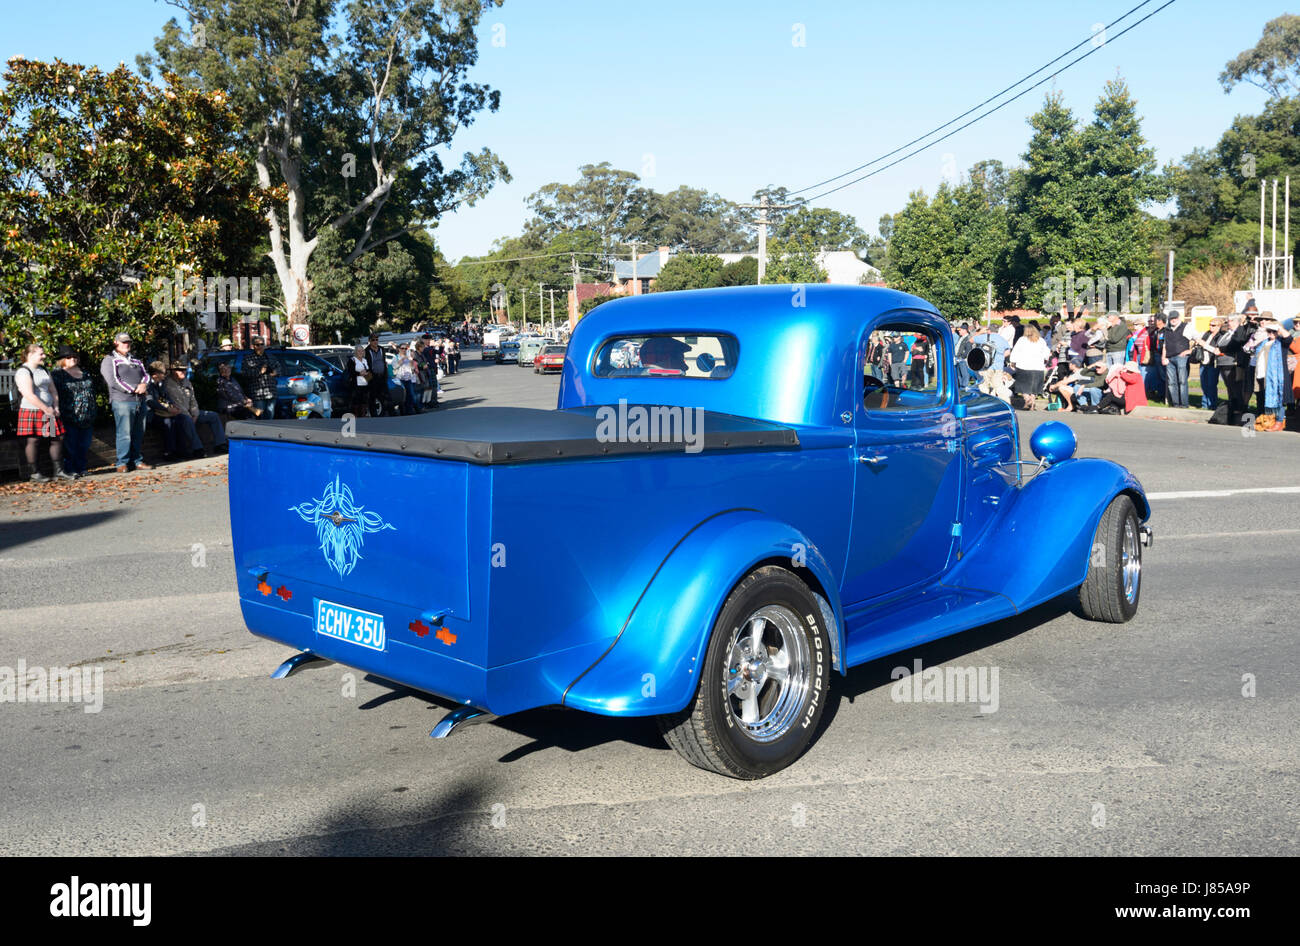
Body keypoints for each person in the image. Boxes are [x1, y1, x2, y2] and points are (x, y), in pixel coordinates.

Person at [14, 343, 73, 482]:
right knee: (34, 440)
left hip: (50, 411)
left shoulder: (43, 370)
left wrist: (56, 406)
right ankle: (35, 474)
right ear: (30, 355)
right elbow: (29, 395)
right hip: (32, 411)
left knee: (56, 439)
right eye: (41, 354)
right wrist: (47, 409)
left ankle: (59, 471)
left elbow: (53, 390)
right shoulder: (23, 371)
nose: (44, 356)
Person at [99, 331, 153, 473]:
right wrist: (135, 389)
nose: (126, 345)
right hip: (122, 401)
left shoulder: (135, 359)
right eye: (123, 342)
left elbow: (146, 375)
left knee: (138, 433)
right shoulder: (109, 360)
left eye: (128, 342)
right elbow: (113, 381)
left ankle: (137, 461)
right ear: (116, 343)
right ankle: (122, 462)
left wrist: (144, 385)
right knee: (124, 433)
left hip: (140, 401)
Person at [50, 345, 97, 478]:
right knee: (70, 446)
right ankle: (70, 470)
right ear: (62, 359)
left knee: (84, 444)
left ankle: (82, 468)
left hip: (88, 415)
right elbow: (54, 394)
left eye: (74, 356)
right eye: (68, 357)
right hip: (69, 415)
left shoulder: (85, 372)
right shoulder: (57, 375)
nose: (72, 359)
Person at [164, 361, 227, 455]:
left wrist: (195, 414)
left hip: (192, 413)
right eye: (179, 370)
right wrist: (190, 416)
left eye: (184, 369)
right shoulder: (168, 384)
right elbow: (177, 403)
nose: (183, 372)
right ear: (173, 371)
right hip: (179, 414)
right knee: (187, 420)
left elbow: (193, 400)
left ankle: (220, 444)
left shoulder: (187, 382)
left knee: (213, 416)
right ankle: (198, 449)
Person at [145, 361, 198, 460]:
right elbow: (150, 402)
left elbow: (166, 397)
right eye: (163, 373)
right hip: (152, 414)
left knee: (181, 418)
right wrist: (167, 408)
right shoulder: (148, 384)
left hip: (164, 413)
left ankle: (183, 451)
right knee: (168, 422)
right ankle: (169, 453)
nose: (165, 375)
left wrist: (172, 405)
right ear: (156, 374)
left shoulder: (160, 384)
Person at [1008, 324, 1050, 409]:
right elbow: (1046, 353)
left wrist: (1012, 361)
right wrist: (1045, 359)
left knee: (1023, 386)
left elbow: (1015, 351)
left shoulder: (1022, 340)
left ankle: (1027, 399)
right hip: (1038, 367)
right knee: (1034, 387)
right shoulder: (1041, 340)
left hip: (1024, 366)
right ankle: (1033, 401)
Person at [1160, 311, 1192, 407]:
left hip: (1181, 358)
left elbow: (1197, 339)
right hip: (1169, 359)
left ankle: (1184, 404)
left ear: (1179, 318)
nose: (1173, 320)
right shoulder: (1166, 329)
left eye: (1175, 318)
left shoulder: (1186, 327)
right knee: (1171, 383)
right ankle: (1175, 404)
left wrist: (1189, 351)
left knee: (1182, 381)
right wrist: (1163, 357)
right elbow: (1164, 345)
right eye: (1171, 318)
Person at [1193, 317, 1226, 412]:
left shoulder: (1220, 336)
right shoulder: (1207, 334)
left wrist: (1204, 345)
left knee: (1211, 384)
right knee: (1204, 384)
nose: (1210, 327)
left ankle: (1212, 404)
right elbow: (1200, 343)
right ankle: (1204, 404)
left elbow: (1217, 351)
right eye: (1210, 324)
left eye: (1213, 325)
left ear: (1219, 326)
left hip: (1212, 362)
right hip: (1203, 361)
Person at [241, 337, 278, 418]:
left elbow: (279, 368)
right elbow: (245, 373)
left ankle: (269, 431)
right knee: (260, 417)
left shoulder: (270, 357)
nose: (260, 347)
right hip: (258, 394)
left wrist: (276, 372)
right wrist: (259, 372)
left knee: (270, 417)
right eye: (258, 345)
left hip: (271, 392)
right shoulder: (248, 358)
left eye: (262, 344)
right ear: (253, 346)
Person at [361, 333, 391, 416]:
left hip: (382, 376)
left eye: (376, 339)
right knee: (372, 397)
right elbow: (364, 365)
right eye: (373, 340)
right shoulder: (366, 351)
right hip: (372, 377)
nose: (375, 341)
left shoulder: (381, 349)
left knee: (384, 395)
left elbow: (384, 362)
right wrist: (369, 379)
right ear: (369, 341)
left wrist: (386, 374)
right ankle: (374, 414)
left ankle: (385, 412)